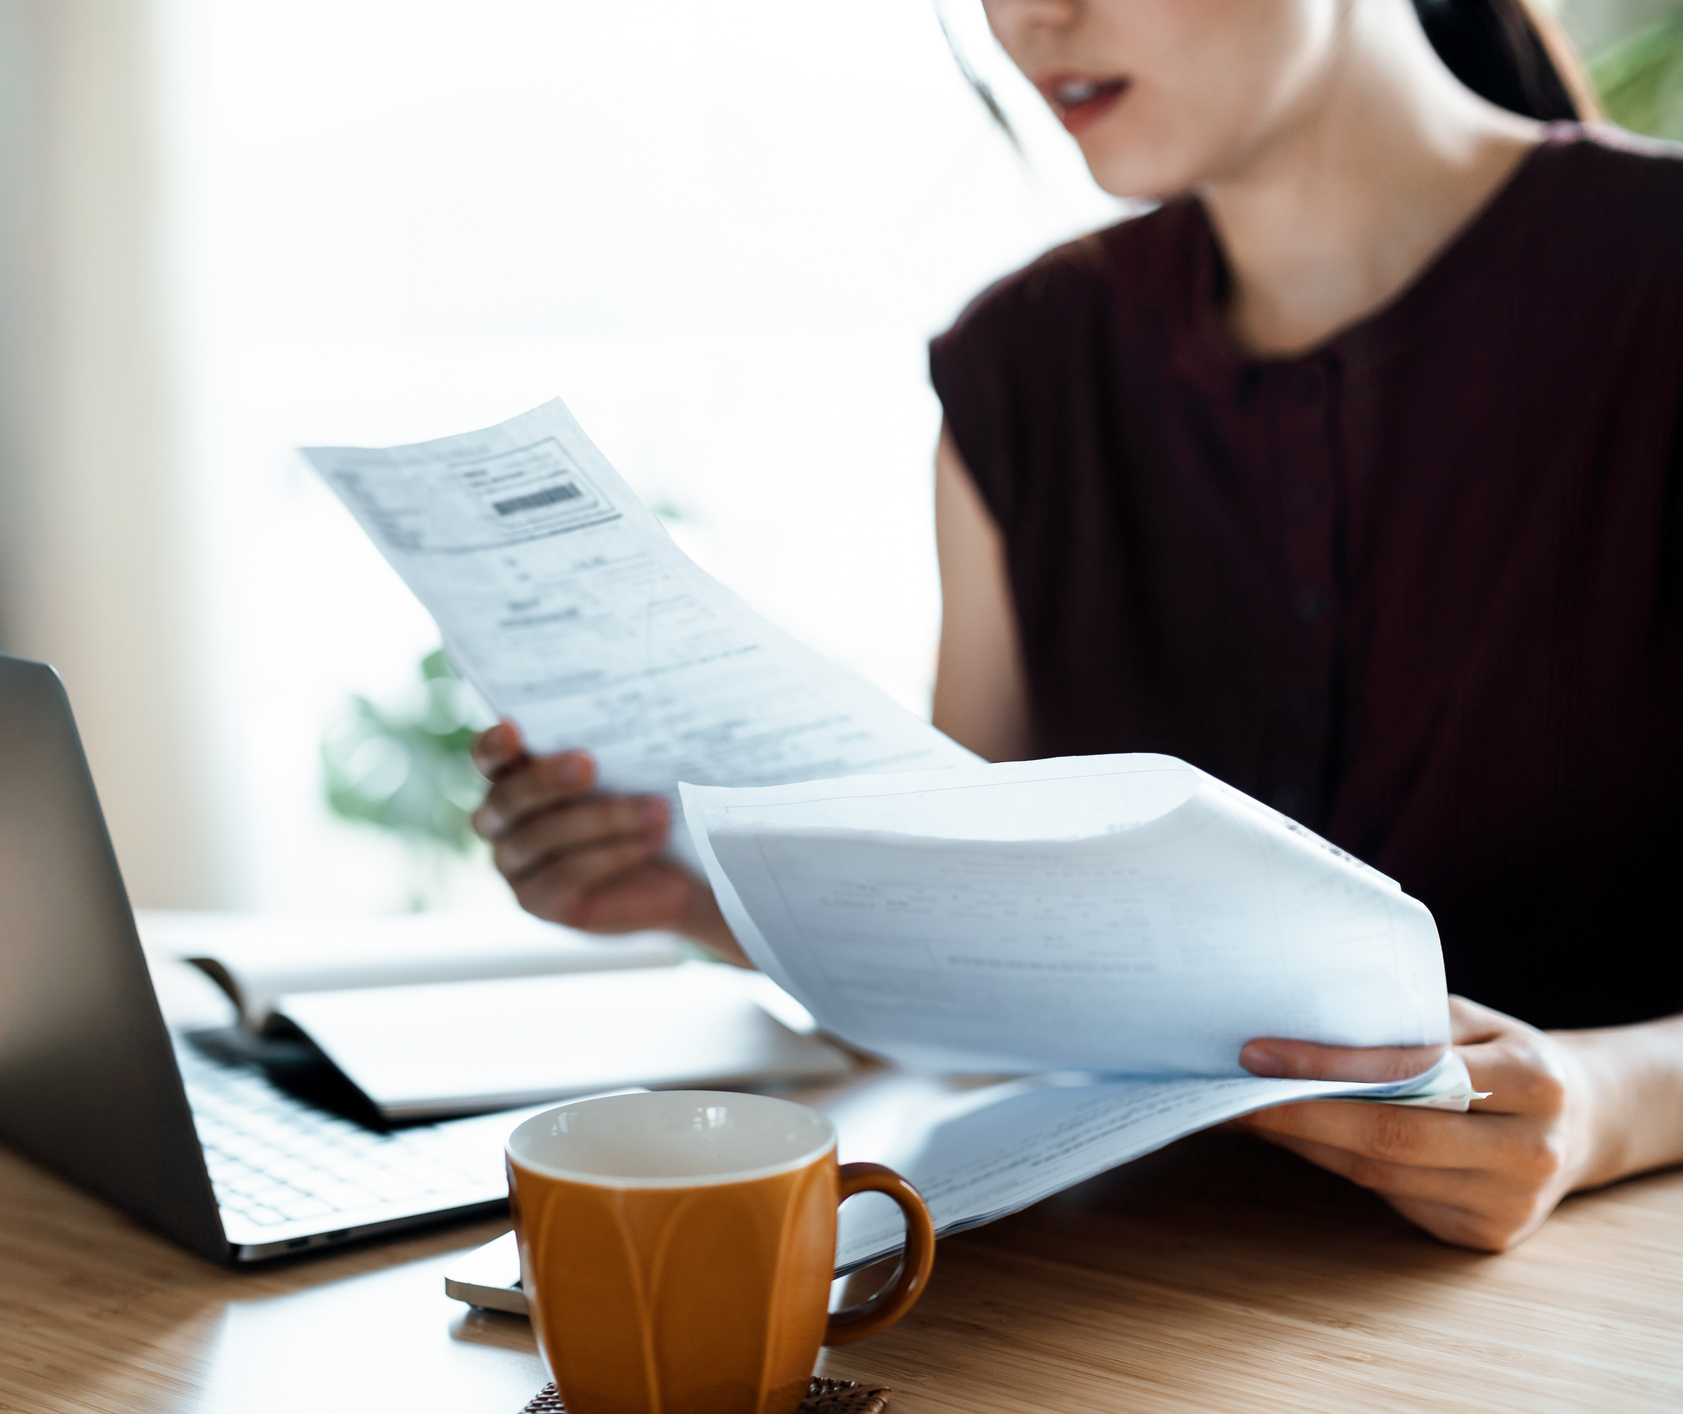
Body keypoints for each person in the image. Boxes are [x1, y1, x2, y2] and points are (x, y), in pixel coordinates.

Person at [467, 0, 1683, 1253]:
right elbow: (990, 948)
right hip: (1113, 1296)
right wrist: (693, 896)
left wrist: (1605, 1104)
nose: (1034, 18)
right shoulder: (1020, 369)